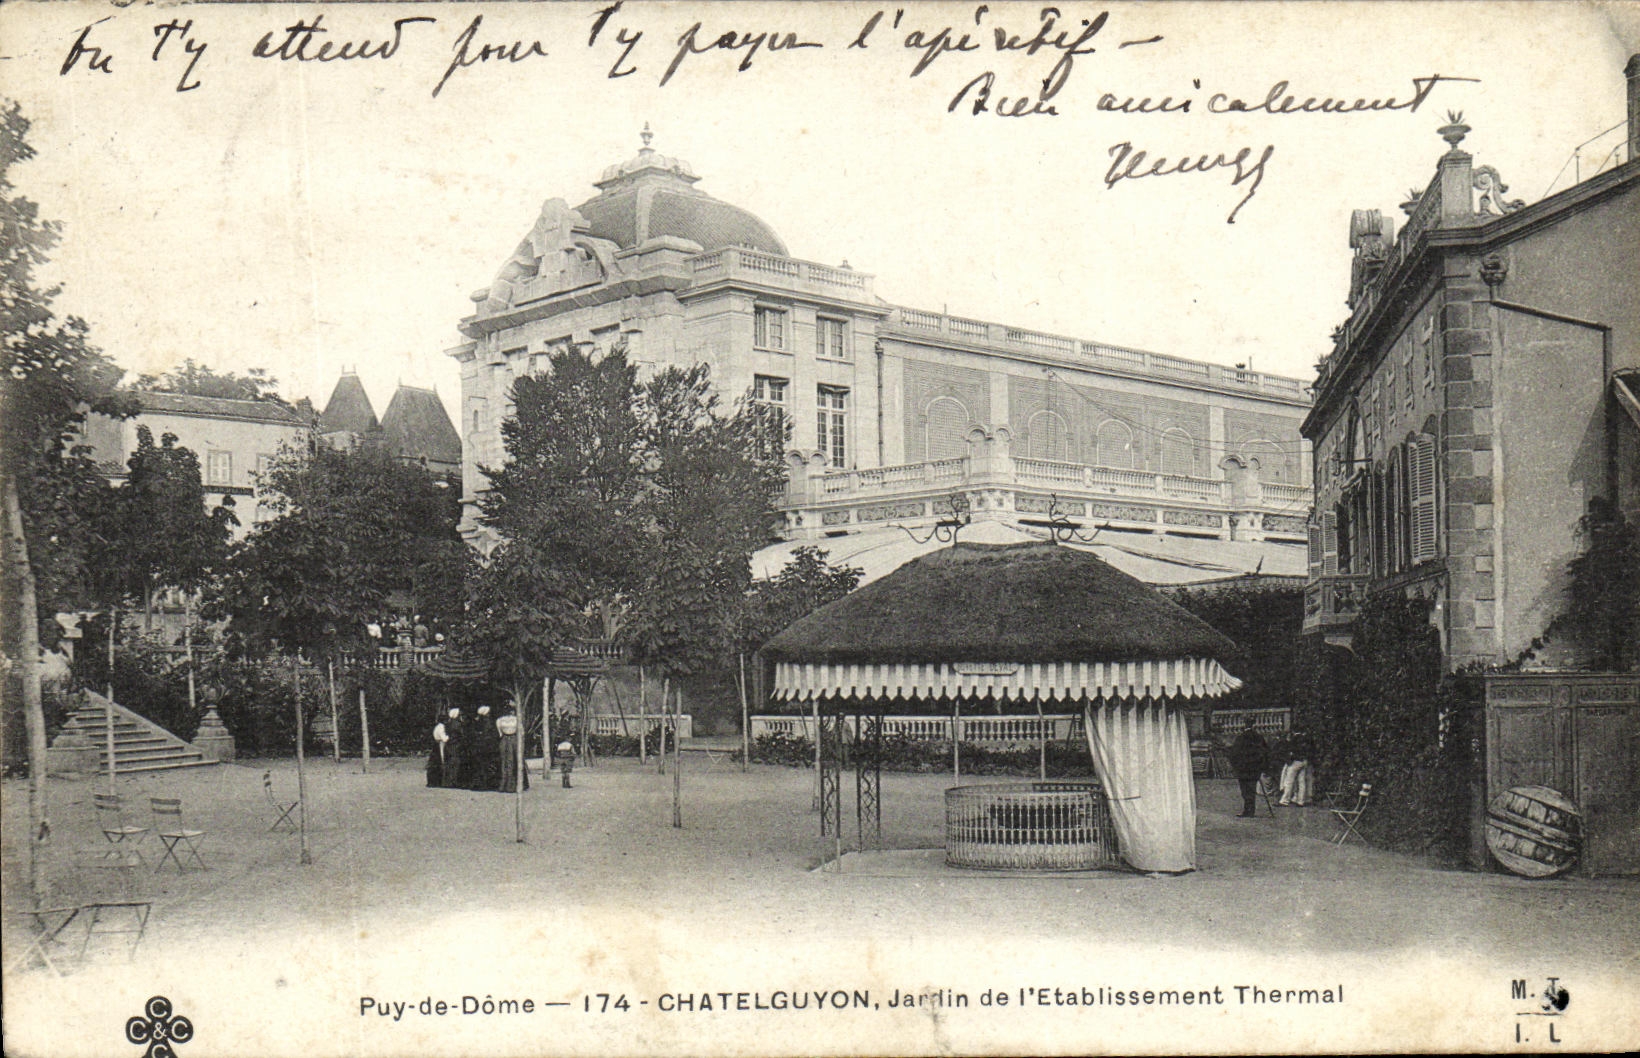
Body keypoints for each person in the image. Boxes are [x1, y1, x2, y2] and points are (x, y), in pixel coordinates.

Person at [1226, 720, 1269, 818]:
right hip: (1255, 768)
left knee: (1245, 790)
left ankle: (1247, 810)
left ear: (1244, 726)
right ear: (1253, 725)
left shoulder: (1241, 738)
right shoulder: (1259, 737)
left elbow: (1234, 753)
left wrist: (1235, 766)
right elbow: (1265, 752)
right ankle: (1251, 810)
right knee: (1252, 789)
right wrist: (1262, 766)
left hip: (1243, 769)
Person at [468, 705, 500, 790]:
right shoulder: (488, 722)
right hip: (487, 746)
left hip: (478, 746)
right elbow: (490, 735)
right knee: (486, 765)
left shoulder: (478, 721)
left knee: (479, 765)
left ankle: (478, 783)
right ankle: (485, 784)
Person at [496, 708, 528, 792]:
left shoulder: (513, 720)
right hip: (508, 739)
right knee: (507, 761)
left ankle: (510, 784)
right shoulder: (502, 720)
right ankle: (506, 784)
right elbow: (521, 731)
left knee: (512, 761)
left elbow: (520, 731)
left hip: (511, 739)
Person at [1280, 729, 1314, 807]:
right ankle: (1301, 801)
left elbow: (1291, 751)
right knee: (1301, 781)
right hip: (1304, 761)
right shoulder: (1305, 738)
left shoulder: (1295, 739)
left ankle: (1285, 800)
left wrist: (1289, 759)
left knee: (1289, 781)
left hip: (1296, 761)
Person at [440, 707, 464, 789]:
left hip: (448, 744)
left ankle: (446, 781)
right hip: (455, 745)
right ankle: (453, 781)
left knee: (448, 763)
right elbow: (461, 734)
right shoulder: (457, 724)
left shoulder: (448, 724)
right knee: (455, 763)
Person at [427, 714, 449, 788]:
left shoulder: (437, 727)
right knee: (439, 761)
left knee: (434, 762)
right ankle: (437, 781)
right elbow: (444, 738)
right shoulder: (442, 727)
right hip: (440, 744)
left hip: (435, 745)